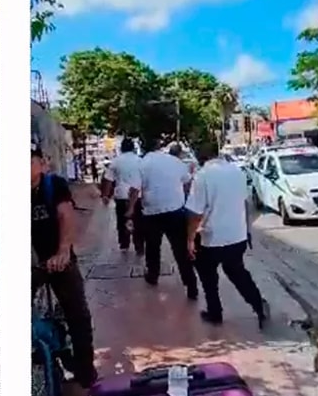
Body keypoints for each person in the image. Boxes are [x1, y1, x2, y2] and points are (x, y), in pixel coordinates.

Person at [31, 144, 97, 389]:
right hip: (30, 261)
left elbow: (65, 216)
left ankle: (85, 371)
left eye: (29, 162)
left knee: (78, 314)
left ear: (42, 164)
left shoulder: (53, 185)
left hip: (58, 255)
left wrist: (63, 251)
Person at [185, 143, 270, 329]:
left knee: (208, 277)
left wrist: (190, 239)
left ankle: (215, 313)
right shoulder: (236, 172)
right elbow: (245, 203)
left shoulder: (202, 176)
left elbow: (196, 213)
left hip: (211, 238)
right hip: (236, 235)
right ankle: (259, 306)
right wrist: (246, 230)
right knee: (238, 273)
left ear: (199, 157)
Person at [127, 139, 199, 300]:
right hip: (175, 210)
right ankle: (191, 284)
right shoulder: (174, 162)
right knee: (180, 250)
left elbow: (134, 189)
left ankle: (153, 275)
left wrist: (131, 208)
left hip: (152, 212)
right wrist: (184, 197)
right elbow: (187, 182)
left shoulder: (142, 164)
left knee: (153, 247)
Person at [103, 138, 144, 253]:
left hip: (121, 196)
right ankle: (139, 245)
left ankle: (124, 244)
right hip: (138, 197)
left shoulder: (115, 162)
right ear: (133, 148)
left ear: (121, 148)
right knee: (138, 222)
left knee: (121, 221)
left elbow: (108, 180)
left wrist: (105, 196)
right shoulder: (140, 161)